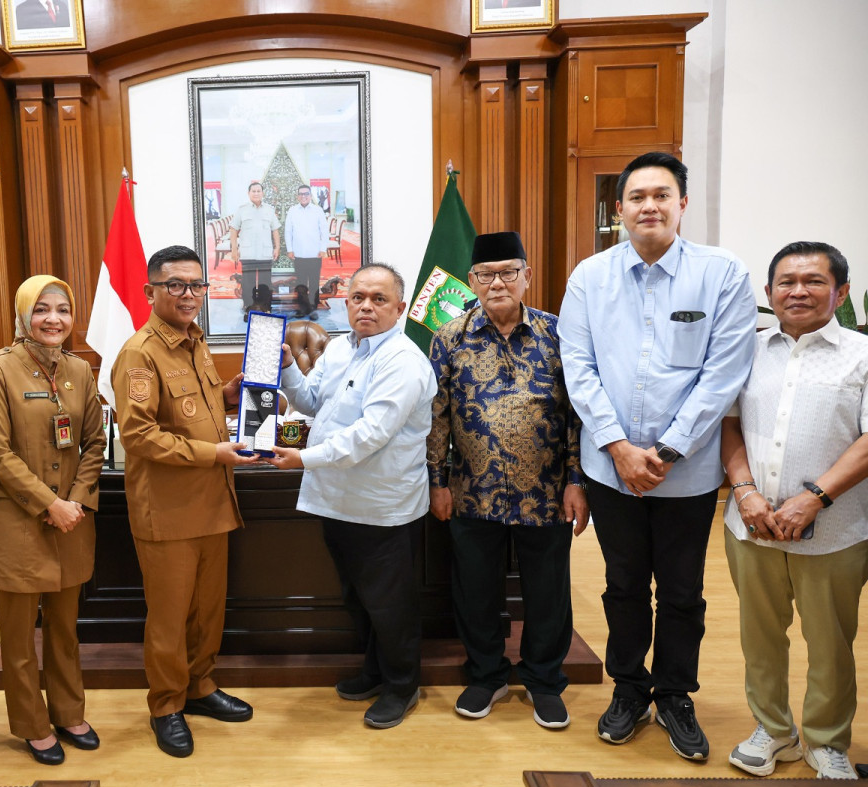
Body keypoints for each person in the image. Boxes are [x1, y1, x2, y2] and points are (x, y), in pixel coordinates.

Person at [558, 152, 757, 760]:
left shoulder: (723, 274)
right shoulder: (589, 277)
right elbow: (579, 369)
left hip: (688, 471)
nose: (649, 206)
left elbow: (724, 374)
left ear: (682, 204)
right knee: (622, 587)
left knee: (680, 590)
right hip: (611, 470)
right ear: (618, 209)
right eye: (636, 196)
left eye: (661, 195)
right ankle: (628, 689)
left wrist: (666, 451)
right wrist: (618, 448)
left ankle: (674, 693)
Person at [427, 232, 588, 730]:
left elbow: (578, 415)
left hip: (546, 491)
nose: (497, 282)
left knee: (548, 592)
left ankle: (543, 679)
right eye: (485, 275)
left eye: (507, 272)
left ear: (527, 276)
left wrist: (577, 481)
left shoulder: (560, 334)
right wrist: (437, 482)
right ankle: (487, 674)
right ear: (471, 281)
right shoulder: (449, 336)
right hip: (472, 490)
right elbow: (437, 418)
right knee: (475, 591)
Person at [720, 241, 868, 781]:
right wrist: (744, 491)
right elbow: (728, 423)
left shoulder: (862, 354)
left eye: (812, 281)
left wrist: (814, 498)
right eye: (786, 282)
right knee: (760, 635)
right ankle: (773, 730)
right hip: (751, 523)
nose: (798, 291)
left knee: (830, 641)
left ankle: (826, 740)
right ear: (769, 292)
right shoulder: (748, 350)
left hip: (835, 529)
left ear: (841, 292)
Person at [272, 263, 437, 729]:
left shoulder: (403, 361)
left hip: (382, 505)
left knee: (390, 604)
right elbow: (309, 400)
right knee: (358, 599)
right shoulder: (341, 347)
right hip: (336, 500)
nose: (366, 306)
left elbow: (370, 435)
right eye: (358, 297)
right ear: (346, 303)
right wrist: (287, 367)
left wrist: (303, 460)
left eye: (379, 299)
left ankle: (403, 686)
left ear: (400, 308)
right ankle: (375, 670)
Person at [111, 245, 260, 758]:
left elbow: (191, 406)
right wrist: (212, 451)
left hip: (213, 503)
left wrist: (229, 392)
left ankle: (200, 688)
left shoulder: (194, 342)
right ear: (151, 291)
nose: (188, 294)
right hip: (169, 511)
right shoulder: (140, 352)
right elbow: (139, 435)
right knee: (170, 619)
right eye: (175, 285)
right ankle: (166, 706)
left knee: (206, 613)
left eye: (196, 285)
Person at [0, 275, 106, 765]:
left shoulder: (79, 369)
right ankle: (32, 724)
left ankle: (70, 713)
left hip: (72, 521)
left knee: (65, 629)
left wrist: (73, 499)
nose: (53, 319)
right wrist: (47, 503)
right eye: (41, 310)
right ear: (23, 314)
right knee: (18, 637)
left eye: (62, 310)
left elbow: (94, 441)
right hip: (20, 523)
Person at [228, 180, 280, 316]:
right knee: (248, 284)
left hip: (265, 252)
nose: (256, 193)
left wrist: (277, 248)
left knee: (265, 283)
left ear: (262, 193)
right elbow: (233, 229)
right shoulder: (242, 209)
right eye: (253, 191)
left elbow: (275, 230)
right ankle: (249, 309)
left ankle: (265, 308)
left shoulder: (269, 210)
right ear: (248, 193)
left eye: (258, 191)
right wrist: (234, 248)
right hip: (247, 252)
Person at [284, 184, 328, 319]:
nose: (303, 196)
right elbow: (288, 231)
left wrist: (323, 249)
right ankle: (303, 308)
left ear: (310, 196)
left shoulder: (318, 210)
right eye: (301, 194)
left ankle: (313, 309)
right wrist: (290, 249)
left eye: (306, 194)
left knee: (314, 282)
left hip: (315, 254)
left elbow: (324, 231)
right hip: (298, 254)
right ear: (298, 196)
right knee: (301, 283)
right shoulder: (292, 211)